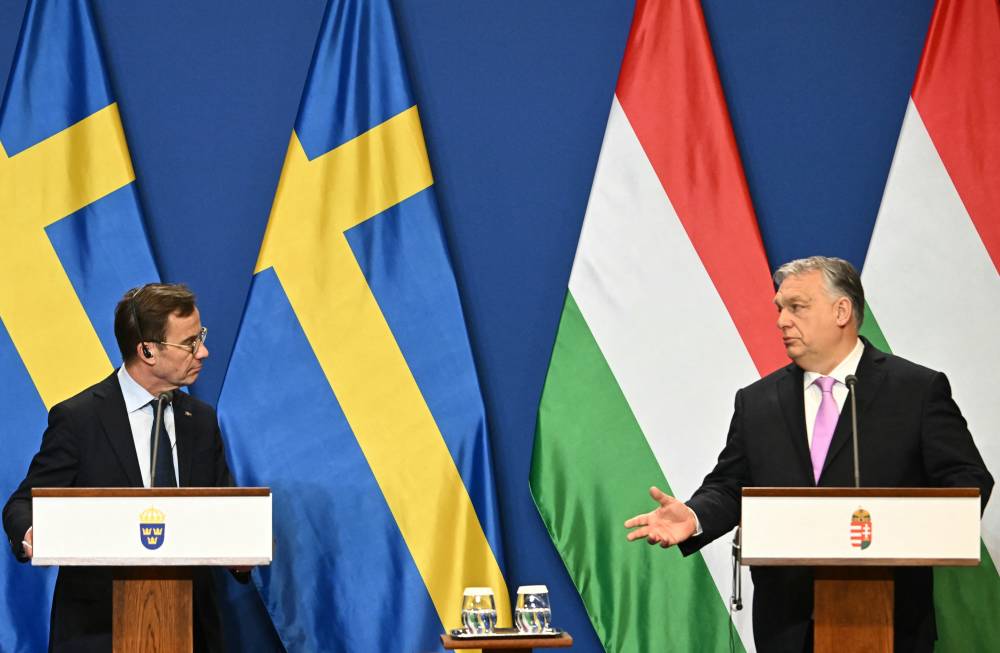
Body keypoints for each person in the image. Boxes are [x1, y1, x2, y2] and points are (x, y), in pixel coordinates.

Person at [624, 256, 993, 653]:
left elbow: (967, 481)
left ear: (842, 310)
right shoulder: (757, 401)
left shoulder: (916, 390)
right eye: (780, 309)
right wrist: (695, 516)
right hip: (787, 628)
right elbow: (731, 486)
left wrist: (902, 528)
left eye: (797, 307)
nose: (782, 320)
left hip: (889, 621)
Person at [3, 283, 239, 653]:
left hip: (192, 632)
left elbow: (223, 508)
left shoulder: (201, 420)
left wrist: (241, 547)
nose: (204, 352)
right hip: (99, 631)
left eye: (201, 337)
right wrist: (32, 532)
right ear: (147, 350)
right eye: (190, 343)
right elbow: (22, 504)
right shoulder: (80, 419)